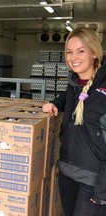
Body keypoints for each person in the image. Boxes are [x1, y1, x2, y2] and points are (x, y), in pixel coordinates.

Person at [42, 27, 106, 216]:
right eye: (69, 52)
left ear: (94, 53)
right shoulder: (74, 82)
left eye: (81, 51)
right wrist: (55, 103)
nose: (73, 57)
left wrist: (103, 189)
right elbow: (70, 98)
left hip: (93, 180)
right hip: (67, 173)